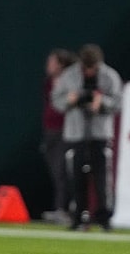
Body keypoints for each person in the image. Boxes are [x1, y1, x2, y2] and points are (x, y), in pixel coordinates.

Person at [51, 44, 122, 232]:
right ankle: (78, 216)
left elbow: (118, 102)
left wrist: (101, 103)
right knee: (76, 177)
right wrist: (71, 100)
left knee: (102, 177)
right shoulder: (69, 76)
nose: (90, 71)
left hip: (100, 134)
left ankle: (104, 217)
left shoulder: (109, 76)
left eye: (93, 68)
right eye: (87, 67)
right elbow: (56, 101)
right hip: (75, 134)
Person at [40, 48, 77, 225]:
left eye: (52, 62)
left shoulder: (69, 82)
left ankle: (65, 210)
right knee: (56, 171)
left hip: (65, 131)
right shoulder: (49, 82)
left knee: (62, 171)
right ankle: (60, 208)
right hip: (50, 131)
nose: (48, 66)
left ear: (60, 65)